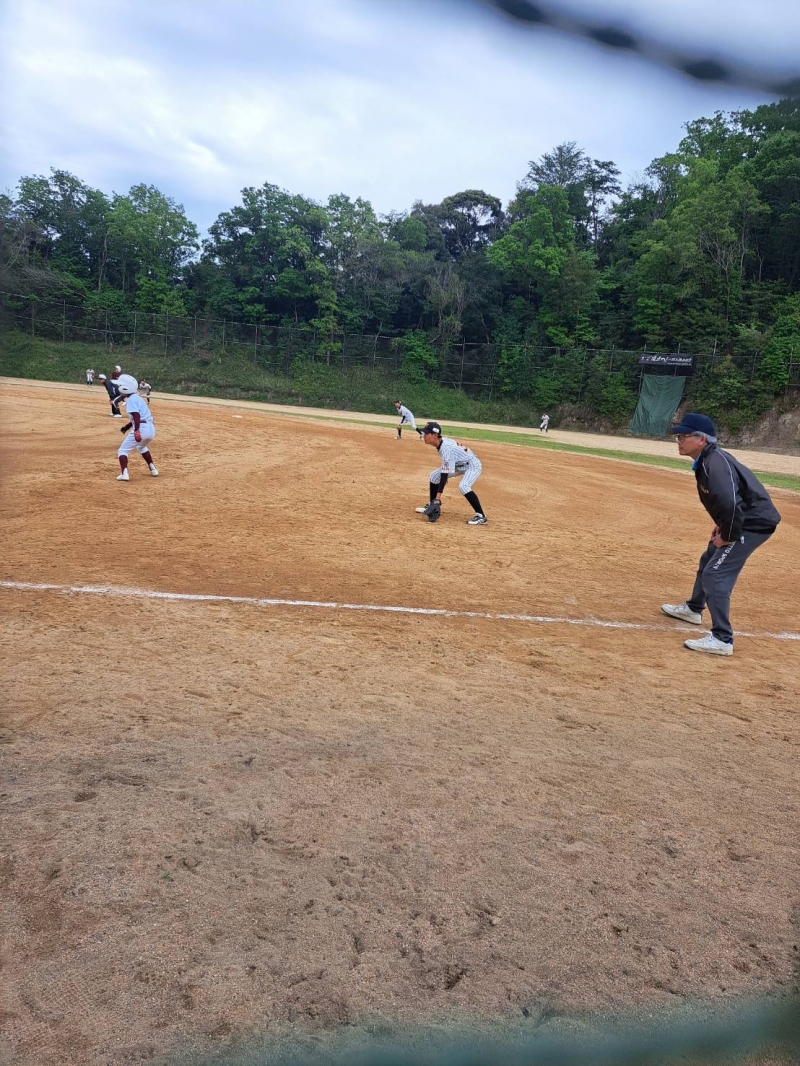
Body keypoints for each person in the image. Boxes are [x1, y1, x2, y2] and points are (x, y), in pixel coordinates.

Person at [661, 413, 781, 656]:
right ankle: (694, 609)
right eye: (678, 437)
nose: (679, 441)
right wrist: (723, 525)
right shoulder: (708, 459)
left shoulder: (713, 463)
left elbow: (730, 503)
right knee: (709, 558)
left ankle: (722, 638)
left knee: (715, 573)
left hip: (753, 525)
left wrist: (728, 534)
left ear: (702, 439)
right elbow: (729, 502)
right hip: (743, 520)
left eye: (684, 436)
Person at [415, 421, 487, 525]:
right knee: (434, 476)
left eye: (427, 433)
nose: (424, 435)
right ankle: (432, 505)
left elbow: (444, 475)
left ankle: (481, 516)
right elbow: (445, 471)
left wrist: (438, 498)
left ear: (435, 435)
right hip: (459, 464)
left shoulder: (446, 448)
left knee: (464, 486)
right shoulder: (440, 443)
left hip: (472, 464)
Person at [115, 374, 159, 481]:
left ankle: (124, 474)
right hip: (151, 429)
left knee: (122, 450)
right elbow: (139, 417)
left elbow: (136, 416)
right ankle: (153, 469)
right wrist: (127, 427)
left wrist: (137, 431)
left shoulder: (130, 400)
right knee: (141, 447)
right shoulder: (137, 398)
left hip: (142, 429)